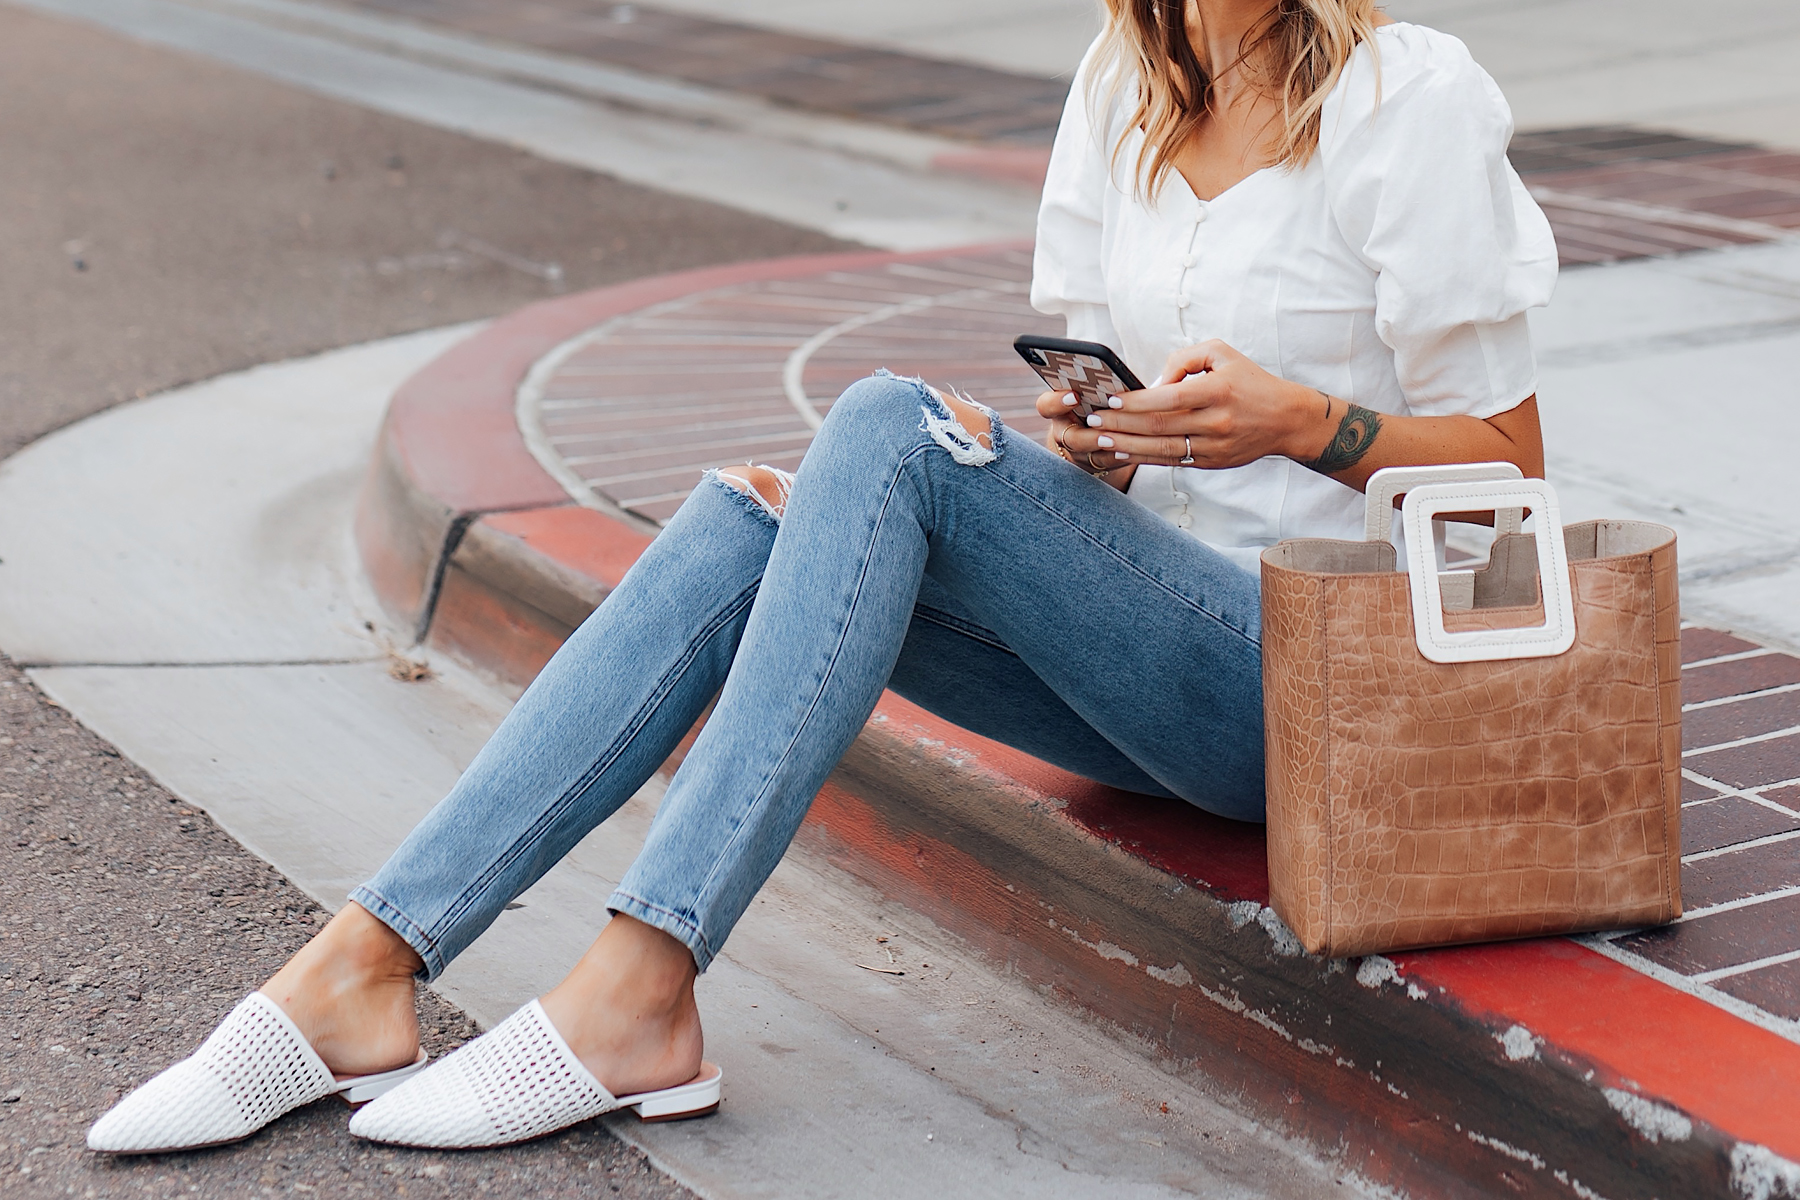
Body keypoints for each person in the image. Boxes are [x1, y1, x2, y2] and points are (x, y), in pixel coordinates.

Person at [89, 0, 1554, 1154]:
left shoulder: (1403, 100)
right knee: (756, 521)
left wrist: (1312, 422)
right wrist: (1094, 444)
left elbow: (1512, 476)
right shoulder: (1120, 89)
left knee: (882, 426)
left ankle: (641, 983)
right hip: (1141, 663)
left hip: (1323, 682)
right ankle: (365, 962)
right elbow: (1114, 452)